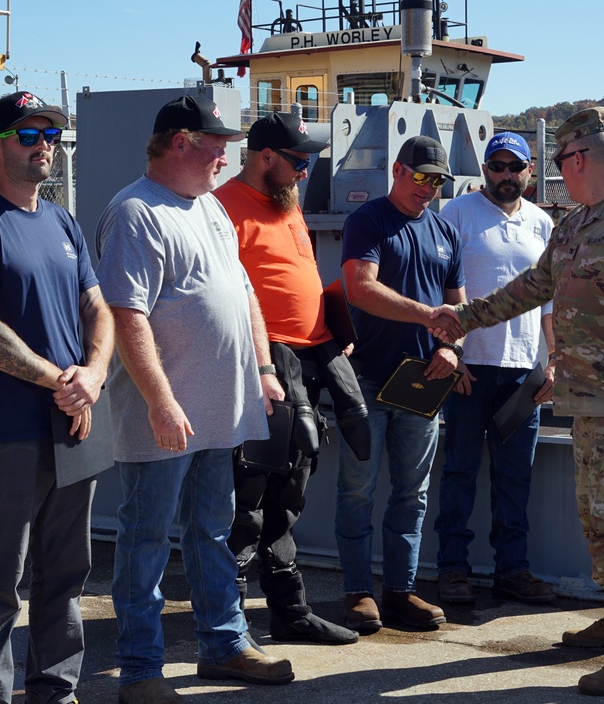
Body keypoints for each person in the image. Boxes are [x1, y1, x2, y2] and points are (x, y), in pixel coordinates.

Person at [430, 106, 604, 696]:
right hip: (590, 404)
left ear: (579, 158)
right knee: (598, 520)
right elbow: (534, 287)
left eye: (559, 161)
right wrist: (463, 319)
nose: (555, 174)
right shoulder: (577, 224)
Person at [95, 95, 294, 704]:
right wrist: (159, 399)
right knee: (145, 540)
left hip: (220, 409)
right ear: (181, 142)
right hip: (167, 417)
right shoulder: (135, 213)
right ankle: (140, 672)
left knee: (213, 532)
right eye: (216, 145)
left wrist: (262, 366)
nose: (225, 156)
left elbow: (242, 295)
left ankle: (225, 645)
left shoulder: (208, 207)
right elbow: (125, 314)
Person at [0, 92, 114, 704]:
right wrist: (62, 381)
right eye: (27, 134)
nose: (44, 144)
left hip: (74, 422)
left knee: (67, 575)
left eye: (52, 135)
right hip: (10, 430)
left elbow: (96, 306)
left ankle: (55, 691)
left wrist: (92, 374)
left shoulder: (64, 222)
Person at [213, 111, 363, 647]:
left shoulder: (288, 203)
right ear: (266, 156)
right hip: (262, 367)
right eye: (298, 161)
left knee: (290, 493)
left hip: (308, 364)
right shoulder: (224, 208)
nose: (305, 171)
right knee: (248, 497)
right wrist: (262, 366)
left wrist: (331, 326)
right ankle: (228, 625)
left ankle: (290, 613)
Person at [336, 135, 466, 633]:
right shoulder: (368, 220)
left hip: (422, 381)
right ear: (397, 170)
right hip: (368, 377)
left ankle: (400, 591)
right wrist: (429, 315)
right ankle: (357, 592)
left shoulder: (444, 232)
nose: (428, 188)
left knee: (412, 494)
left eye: (437, 181)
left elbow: (457, 303)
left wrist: (451, 347)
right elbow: (360, 288)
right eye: (421, 177)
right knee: (357, 492)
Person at [433, 132, 557, 605]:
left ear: (529, 171)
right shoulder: (457, 215)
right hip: (470, 368)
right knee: (459, 472)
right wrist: (453, 353)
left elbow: (551, 302)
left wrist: (553, 361)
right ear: (485, 170)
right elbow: (440, 289)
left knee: (514, 476)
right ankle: (452, 570)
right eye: (497, 166)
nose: (506, 175)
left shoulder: (543, 224)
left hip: (523, 371)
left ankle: (513, 570)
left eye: (515, 167)